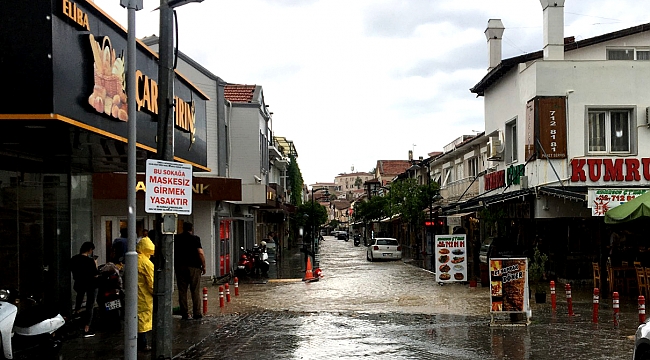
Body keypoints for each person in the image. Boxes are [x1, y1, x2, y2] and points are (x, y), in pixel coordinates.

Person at [174, 222, 206, 320]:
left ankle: (184, 313)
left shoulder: (176, 238)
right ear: (191, 229)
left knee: (182, 291)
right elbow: (200, 253)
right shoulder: (195, 239)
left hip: (180, 267)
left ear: (183, 228)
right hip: (194, 267)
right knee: (195, 291)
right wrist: (204, 266)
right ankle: (197, 313)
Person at [70, 241, 99, 337]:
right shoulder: (90, 261)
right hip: (90, 284)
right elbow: (95, 274)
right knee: (90, 305)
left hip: (79, 283)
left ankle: (76, 318)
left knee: (79, 300)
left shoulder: (74, 259)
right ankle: (87, 327)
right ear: (89, 250)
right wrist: (95, 264)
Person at [136, 235, 155, 351]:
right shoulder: (146, 263)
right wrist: (155, 293)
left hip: (134, 294)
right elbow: (152, 281)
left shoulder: (133, 259)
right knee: (143, 320)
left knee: (136, 319)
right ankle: (143, 345)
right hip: (143, 295)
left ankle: (136, 343)